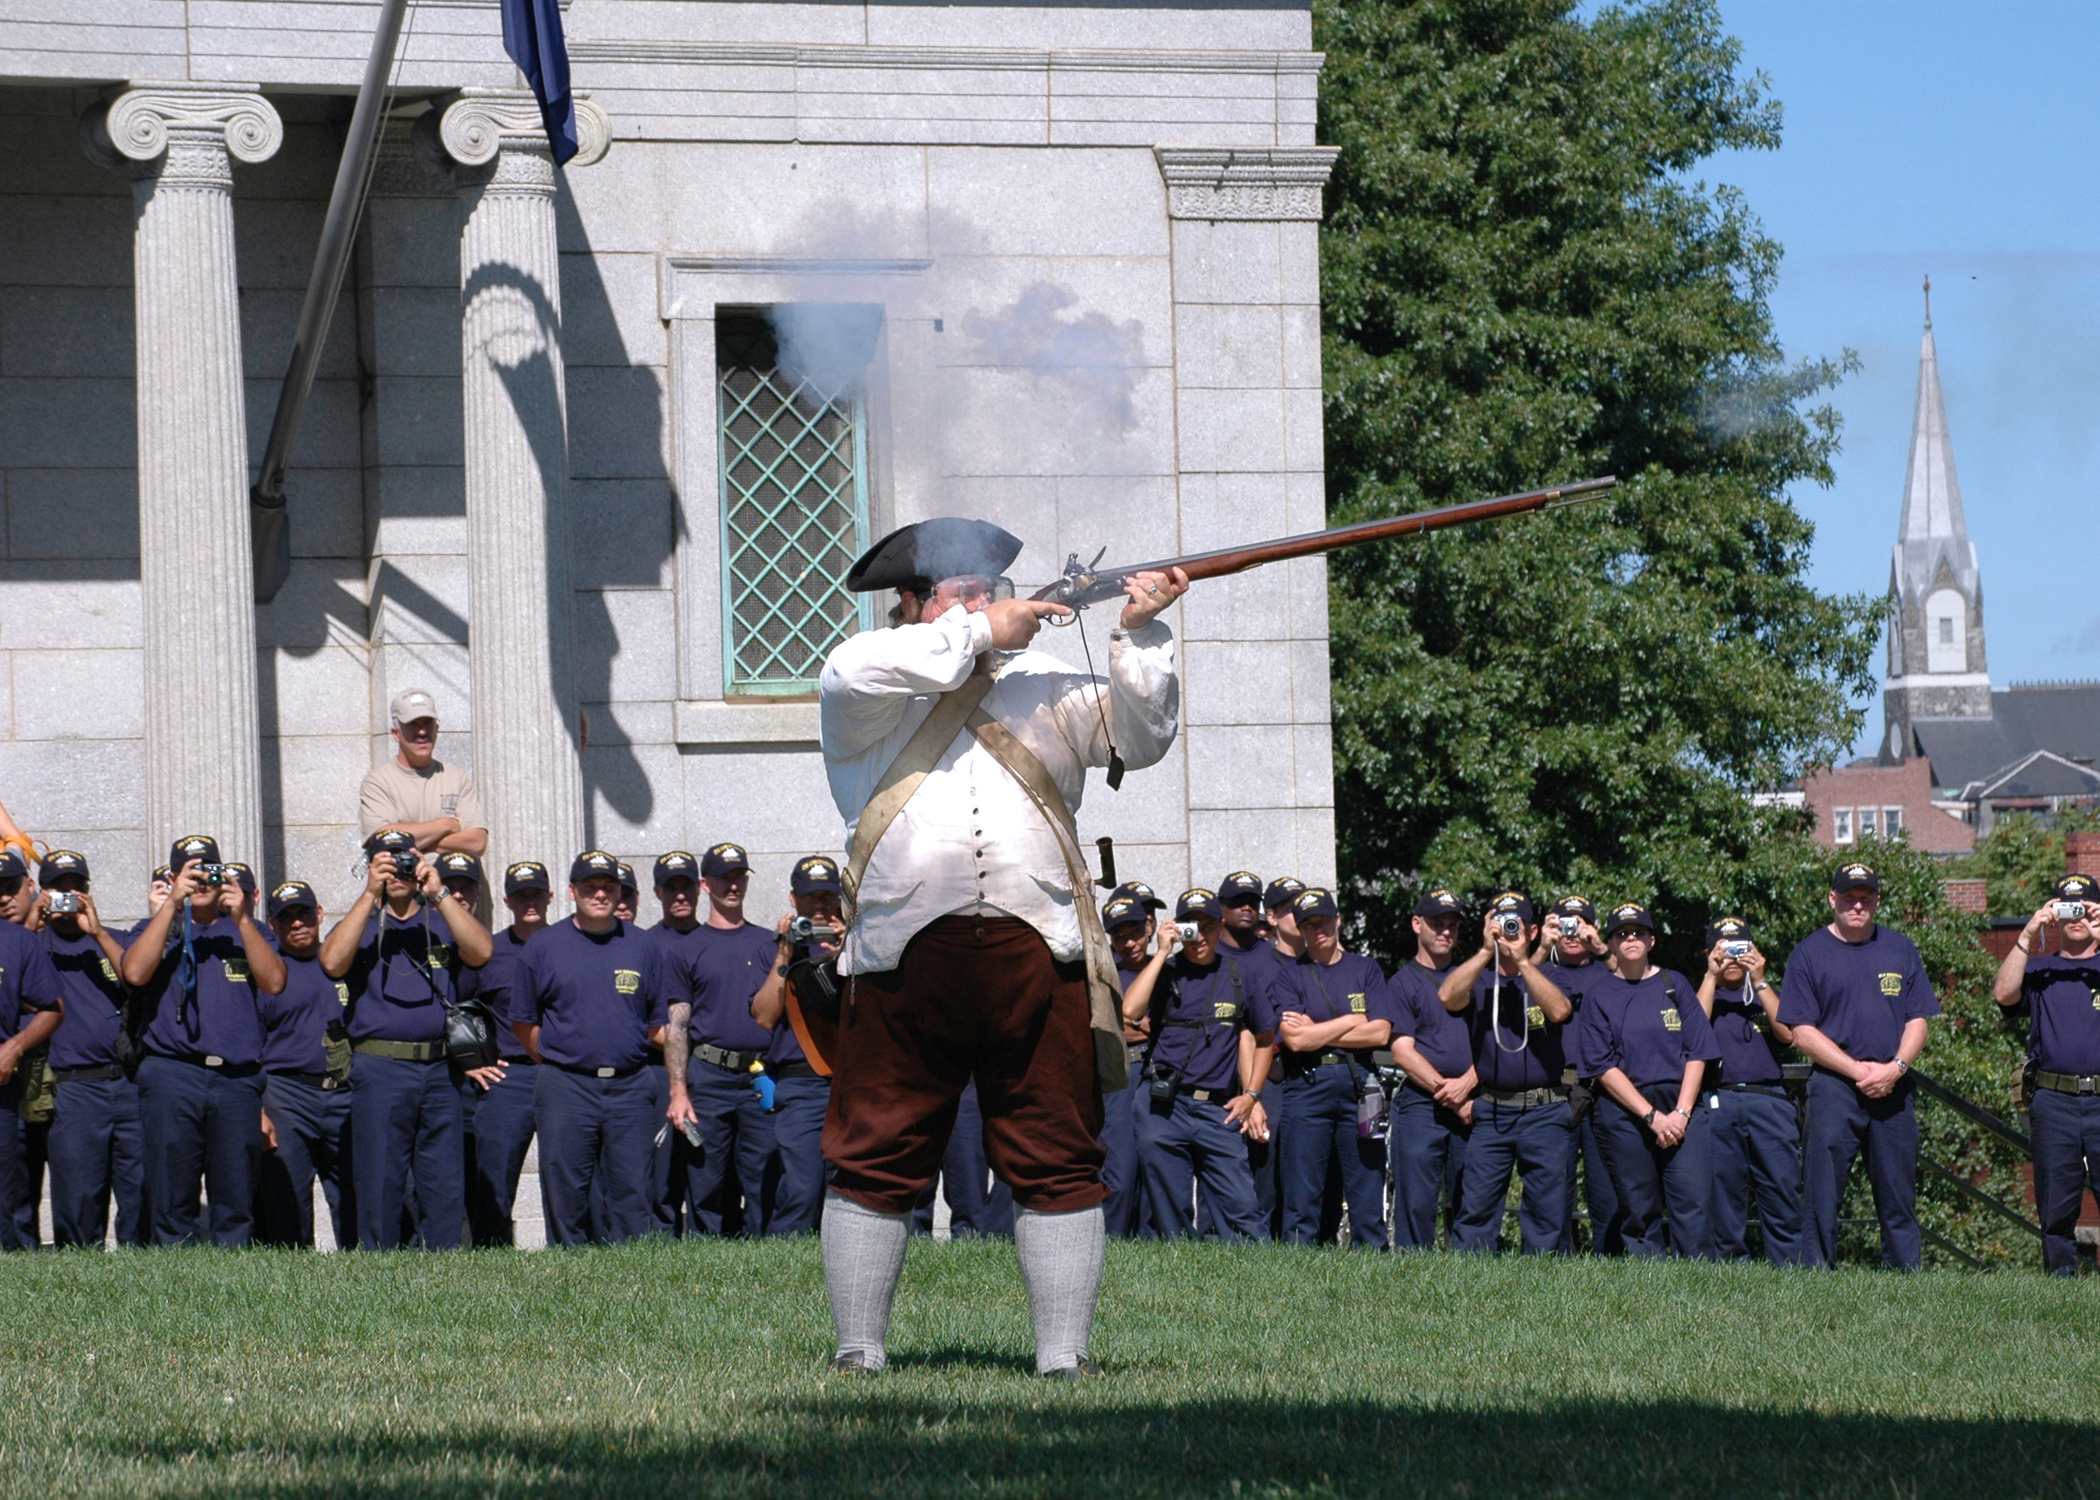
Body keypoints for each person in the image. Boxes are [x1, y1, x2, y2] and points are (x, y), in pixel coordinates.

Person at [816, 516, 1185, 1376]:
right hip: (902, 955)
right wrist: (981, 633)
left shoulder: (1045, 678)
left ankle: (1064, 1357)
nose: (984, 602)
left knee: (1059, 1153)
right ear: (913, 606)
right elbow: (850, 671)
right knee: (875, 1152)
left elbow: (1140, 738)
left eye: (990, 590)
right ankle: (858, 1350)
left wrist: (1139, 633)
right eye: (963, 591)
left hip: (1040, 948)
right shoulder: (870, 673)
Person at [319, 829, 493, 1251]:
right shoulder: (362, 923)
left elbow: (481, 952)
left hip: (440, 1068)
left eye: (404, 861)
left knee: (443, 1179)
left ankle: (445, 1261)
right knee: (380, 1179)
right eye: (386, 862)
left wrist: (439, 893)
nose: (397, 871)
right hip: (381, 1068)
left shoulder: (440, 919)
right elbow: (332, 963)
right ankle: (380, 1263)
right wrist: (369, 893)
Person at [119, 835, 287, 1247]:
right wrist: (171, 906)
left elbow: (274, 982)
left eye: (209, 869)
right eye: (191, 872)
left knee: (235, 1197)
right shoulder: (159, 929)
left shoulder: (250, 930)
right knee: (171, 1197)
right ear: (174, 877)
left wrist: (241, 917)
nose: (202, 880)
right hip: (172, 1074)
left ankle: (232, 1276)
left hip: (235, 1080)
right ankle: (175, 1277)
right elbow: (135, 973)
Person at [1779, 860, 1939, 1271]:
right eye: (1848, 897)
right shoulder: (1808, 953)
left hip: (1893, 1086)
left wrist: (1896, 1068)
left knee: (1898, 1194)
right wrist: (1858, 1071)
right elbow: (1801, 1032)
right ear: (1832, 899)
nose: (1857, 905)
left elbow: (1918, 1019)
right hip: (1834, 1088)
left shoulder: (1900, 948)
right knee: (1822, 1192)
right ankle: (1817, 1277)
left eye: (1865, 898)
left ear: (1877, 901)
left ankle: (1904, 1278)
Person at [513, 850, 668, 1246]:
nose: (599, 894)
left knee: (633, 1188)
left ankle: (633, 1268)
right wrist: (563, 1060)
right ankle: (569, 1268)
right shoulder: (542, 947)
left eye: (608, 887)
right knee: (566, 1191)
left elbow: (657, 1022)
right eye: (589, 887)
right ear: (571, 891)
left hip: (631, 1086)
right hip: (565, 1085)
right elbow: (523, 1023)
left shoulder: (644, 945)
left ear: (619, 892)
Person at [1121, 890, 1274, 1239]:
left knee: (1243, 1208)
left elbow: (1265, 1037)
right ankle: (1179, 1263)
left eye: (1207, 927)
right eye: (1190, 927)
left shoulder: (1239, 975)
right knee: (1170, 1209)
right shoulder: (1166, 970)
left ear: (1220, 926)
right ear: (1178, 928)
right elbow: (1130, 1011)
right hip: (1164, 1105)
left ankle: (1255, 1263)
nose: (1199, 937)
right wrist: (1162, 951)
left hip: (1217, 1109)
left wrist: (1252, 1095)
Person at [1578, 903, 1717, 1259]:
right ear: (1610, 943)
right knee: (1639, 1208)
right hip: (1625, 1112)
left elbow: (1699, 1051)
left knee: (1693, 1204)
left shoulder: (1675, 984)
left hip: (1682, 1107)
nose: (1631, 938)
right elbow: (1602, 1066)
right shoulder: (1598, 995)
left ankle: (1699, 1281)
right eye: (1622, 933)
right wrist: (1652, 1117)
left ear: (1651, 940)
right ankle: (1648, 1283)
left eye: (1638, 932)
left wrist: (1681, 1114)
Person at [1441, 892, 1574, 1255]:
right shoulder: (1481, 979)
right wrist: (1487, 950)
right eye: (1501, 923)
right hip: (1493, 1111)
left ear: (1533, 931)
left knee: (1546, 1213)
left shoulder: (1550, 975)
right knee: (1476, 1208)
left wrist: (1524, 962)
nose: (1509, 931)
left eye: (1517, 925)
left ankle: (1540, 1279)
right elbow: (1448, 997)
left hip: (1545, 1110)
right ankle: (1470, 1276)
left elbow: (1560, 1011)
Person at [665, 843, 779, 1236]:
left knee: (764, 1178)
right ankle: (706, 1256)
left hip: (760, 1076)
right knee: (706, 1181)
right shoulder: (686, 949)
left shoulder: (770, 944)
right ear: (704, 885)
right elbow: (677, 1027)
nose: (732, 885)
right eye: (723, 878)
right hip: (709, 1077)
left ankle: (766, 1256)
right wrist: (678, 1092)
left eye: (739, 877)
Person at [1272, 887, 1395, 1249]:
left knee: (1367, 1191)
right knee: (1302, 1196)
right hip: (1308, 1085)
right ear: (1300, 929)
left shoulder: (1366, 969)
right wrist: (1353, 1020)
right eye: (1308, 924)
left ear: (1338, 920)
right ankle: (1298, 1267)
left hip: (1362, 1085)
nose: (1318, 929)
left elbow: (1381, 1032)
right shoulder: (1290, 976)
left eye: (1323, 921)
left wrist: (1317, 1029)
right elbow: (1296, 1042)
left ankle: (1372, 1265)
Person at [36, 851, 145, 1248]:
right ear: (42, 893)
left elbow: (137, 980)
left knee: (141, 1193)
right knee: (78, 1201)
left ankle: (144, 1272)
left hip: (129, 1083)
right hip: (73, 1088)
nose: (69, 898)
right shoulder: (34, 943)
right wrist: (34, 917)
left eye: (77, 888)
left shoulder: (115, 939)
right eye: (58, 890)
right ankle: (80, 1272)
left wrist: (97, 931)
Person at [1993, 873, 2100, 1275]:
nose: (2078, 918)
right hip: (2054, 1101)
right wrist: (2028, 932)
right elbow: (2003, 994)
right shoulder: (2041, 970)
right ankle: (2061, 1287)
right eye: (2068, 908)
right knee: (2056, 1209)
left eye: (2085, 908)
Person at [1696, 915, 1804, 1266]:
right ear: (1709, 953)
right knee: (1722, 1193)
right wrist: (1711, 976)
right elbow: (1693, 1032)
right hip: (1718, 1100)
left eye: (1739, 948)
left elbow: (1788, 1034)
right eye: (1723, 950)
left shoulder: (1765, 993)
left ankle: (1790, 1268)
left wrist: (1759, 979)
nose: (1732, 958)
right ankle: (1730, 1270)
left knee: (1782, 1188)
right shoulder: (1704, 995)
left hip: (1769, 1100)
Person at [253, 881, 355, 1249]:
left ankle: (361, 1273)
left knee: (354, 1198)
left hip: (345, 1093)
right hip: (285, 1096)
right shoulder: (266, 973)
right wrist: (258, 1108)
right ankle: (293, 1275)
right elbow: (249, 1045)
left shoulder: (343, 963)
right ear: (273, 925)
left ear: (320, 914)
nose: (297, 923)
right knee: (288, 1203)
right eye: (287, 918)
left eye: (304, 914)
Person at [749, 855, 847, 1235]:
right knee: (801, 1186)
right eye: (810, 897)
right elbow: (763, 1016)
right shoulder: (773, 950)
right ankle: (786, 1255)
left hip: (850, 1081)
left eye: (827, 896)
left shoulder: (860, 946)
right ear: (793, 900)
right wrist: (784, 954)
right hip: (801, 1083)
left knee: (847, 1187)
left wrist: (849, 950)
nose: (819, 905)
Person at [457, 861, 553, 1244]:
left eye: (536, 894)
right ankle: (490, 1254)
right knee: (494, 1180)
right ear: (507, 900)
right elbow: (456, 1009)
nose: (530, 902)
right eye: (521, 895)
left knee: (568, 1176)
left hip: (562, 1076)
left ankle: (574, 1255)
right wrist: (469, 1059)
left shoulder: (569, 945)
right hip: (508, 1078)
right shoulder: (488, 952)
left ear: (550, 896)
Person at [1385, 889, 1473, 1250]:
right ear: (1416, 924)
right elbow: (1403, 1053)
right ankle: (1412, 1272)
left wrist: (1468, 1085)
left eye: (1453, 925)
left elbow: (1493, 1045)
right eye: (1437, 924)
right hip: (1422, 1105)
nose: (1446, 931)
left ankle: (1472, 1274)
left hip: (1473, 1103)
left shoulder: (1473, 979)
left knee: (1472, 1202)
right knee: (1416, 1204)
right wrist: (1453, 1096)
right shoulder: (1402, 983)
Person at [1539, 895, 1623, 1255]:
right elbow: (1513, 980)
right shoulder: (1540, 970)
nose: (1571, 933)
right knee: (1553, 1187)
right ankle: (1556, 1262)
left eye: (1580, 924)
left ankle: (1610, 1261)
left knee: (1607, 1186)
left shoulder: (1609, 969)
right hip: (1555, 1089)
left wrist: (1601, 948)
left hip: (1602, 1089)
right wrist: (1542, 947)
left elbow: (1637, 982)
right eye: (1563, 925)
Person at [0, 873, 63, 1249]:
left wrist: (13, 1047)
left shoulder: (18, 940)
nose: (2, 897)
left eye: (8, 887)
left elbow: (52, 1008)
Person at [357, 688, 488, 857]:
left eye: (428, 723)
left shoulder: (457, 780)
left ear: (436, 728)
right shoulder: (378, 782)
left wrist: (410, 839)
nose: (422, 732)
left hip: (449, 874)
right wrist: (447, 825)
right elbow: (384, 843)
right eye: (413, 724)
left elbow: (477, 843)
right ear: (396, 734)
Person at [1099, 894, 1157, 1238]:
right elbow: (1106, 1027)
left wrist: (1129, 1023)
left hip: (1157, 1073)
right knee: (1119, 1173)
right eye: (1119, 937)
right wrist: (1145, 1025)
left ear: (1148, 928)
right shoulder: (1105, 977)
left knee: (1156, 1167)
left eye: (1135, 932)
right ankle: (1113, 1244)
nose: (1129, 943)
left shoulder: (1164, 968)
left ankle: (1153, 1245)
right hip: (1119, 1076)